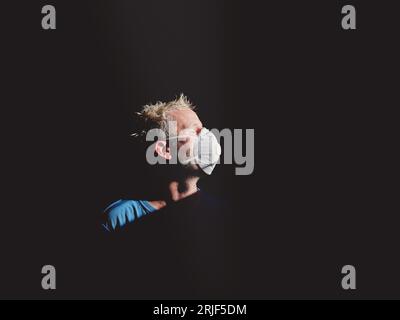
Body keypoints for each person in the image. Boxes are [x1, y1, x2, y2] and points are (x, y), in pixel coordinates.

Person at [101, 94, 222, 232]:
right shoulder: (120, 219)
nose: (208, 136)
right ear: (165, 150)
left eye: (203, 129)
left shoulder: (220, 216)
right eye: (195, 131)